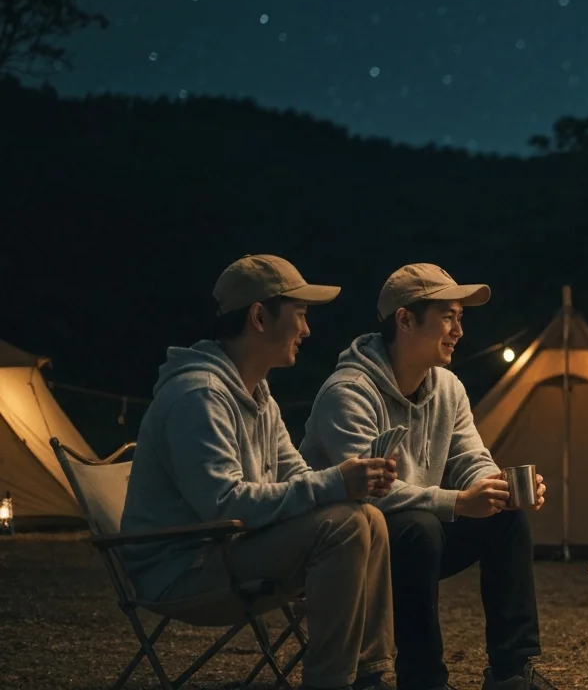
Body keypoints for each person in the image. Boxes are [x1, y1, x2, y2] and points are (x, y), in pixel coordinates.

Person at [120, 254, 399, 690]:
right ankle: (331, 683)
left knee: (371, 519)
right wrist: (336, 483)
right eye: (300, 314)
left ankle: (371, 676)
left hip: (229, 551)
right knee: (343, 527)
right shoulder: (199, 397)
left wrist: (354, 483)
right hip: (182, 571)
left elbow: (296, 475)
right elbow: (223, 503)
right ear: (260, 316)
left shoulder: (258, 396)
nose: (307, 330)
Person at [300, 263, 550, 690]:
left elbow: (470, 456)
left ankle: (511, 669)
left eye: (460, 318)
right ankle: (424, 679)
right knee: (419, 527)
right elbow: (368, 492)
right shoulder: (349, 392)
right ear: (405, 319)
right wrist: (456, 502)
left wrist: (495, 488)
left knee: (505, 519)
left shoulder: (447, 387)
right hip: (351, 548)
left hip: (421, 537)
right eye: (448, 317)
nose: (458, 331)